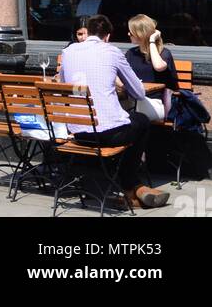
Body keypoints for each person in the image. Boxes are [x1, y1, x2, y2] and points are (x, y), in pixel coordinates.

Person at [60, 14, 169, 209]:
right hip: (106, 135)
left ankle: (135, 188)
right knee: (141, 121)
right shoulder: (112, 52)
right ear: (107, 36)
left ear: (89, 32)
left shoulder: (68, 52)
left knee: (129, 122)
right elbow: (138, 92)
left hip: (78, 133)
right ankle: (130, 186)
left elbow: (63, 87)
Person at [125, 14, 177, 122]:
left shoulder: (163, 53)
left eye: (132, 31)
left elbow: (158, 67)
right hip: (134, 100)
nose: (128, 34)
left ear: (141, 34)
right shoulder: (131, 53)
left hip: (157, 103)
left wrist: (152, 40)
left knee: (129, 115)